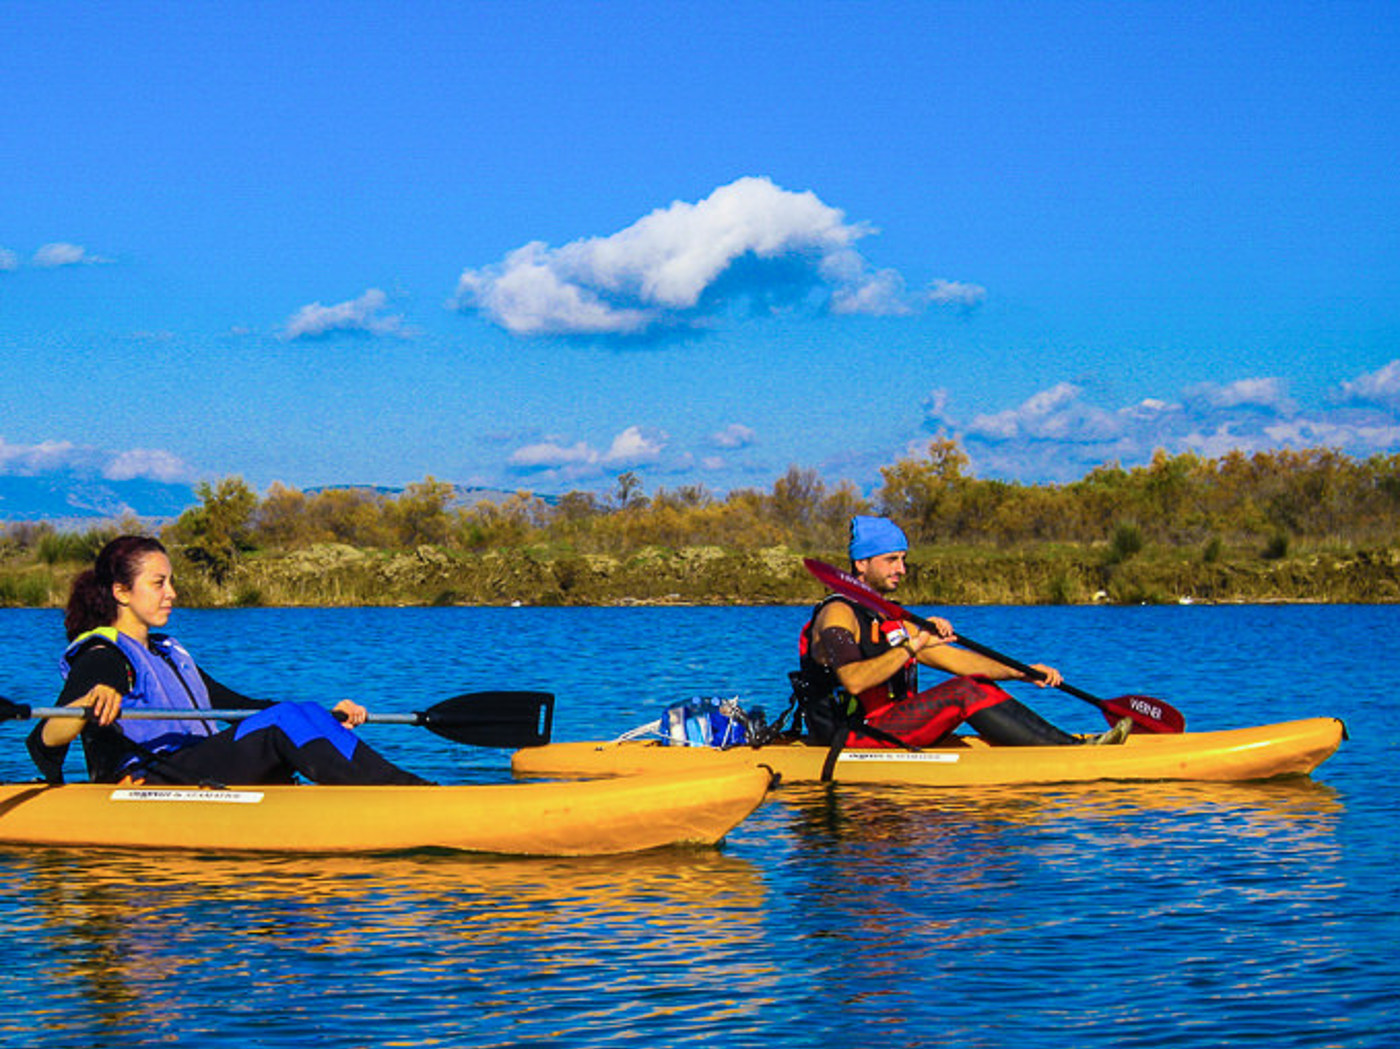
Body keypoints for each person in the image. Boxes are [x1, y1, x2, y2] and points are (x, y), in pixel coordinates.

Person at [28, 535, 430, 786]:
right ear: (121, 591)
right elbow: (44, 737)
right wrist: (85, 705)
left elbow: (240, 708)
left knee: (296, 711)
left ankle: (393, 793)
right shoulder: (104, 657)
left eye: (171, 581)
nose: (171, 593)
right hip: (148, 782)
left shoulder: (167, 654)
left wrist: (324, 717)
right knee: (284, 722)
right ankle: (409, 796)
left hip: (195, 773)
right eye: (158, 583)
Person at [797, 515, 1131, 749]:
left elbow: (959, 662)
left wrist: (1022, 672)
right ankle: (1068, 751)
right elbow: (854, 680)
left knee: (974, 684)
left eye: (903, 559)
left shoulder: (888, 617)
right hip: (851, 735)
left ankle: (1067, 743)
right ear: (861, 564)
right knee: (963, 692)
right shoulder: (837, 614)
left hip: (889, 726)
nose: (902, 569)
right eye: (891, 560)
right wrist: (913, 646)